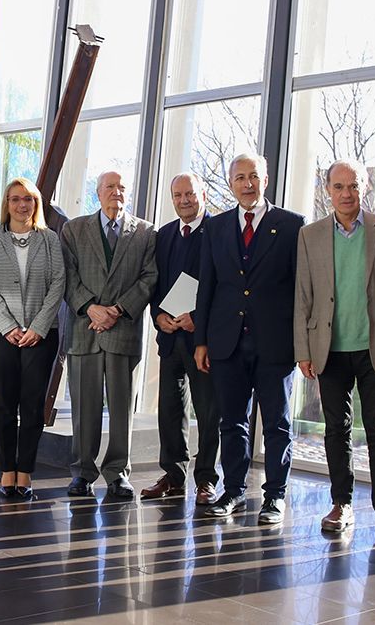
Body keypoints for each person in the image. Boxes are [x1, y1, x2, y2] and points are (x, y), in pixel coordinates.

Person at [294, 160, 375, 537]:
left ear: (364, 188)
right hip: (329, 348)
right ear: (327, 189)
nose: (346, 194)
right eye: (339, 186)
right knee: (336, 429)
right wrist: (303, 350)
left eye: (354, 186)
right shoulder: (310, 235)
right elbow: (303, 297)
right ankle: (340, 503)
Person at [194, 153, 304, 524]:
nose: (247, 183)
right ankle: (235, 490)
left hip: (274, 341)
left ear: (266, 179)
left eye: (253, 176)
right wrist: (202, 341)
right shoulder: (217, 226)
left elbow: (300, 289)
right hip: (227, 341)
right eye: (240, 177)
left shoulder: (291, 225)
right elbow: (207, 286)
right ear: (230, 182)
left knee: (276, 423)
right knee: (232, 421)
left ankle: (275, 496)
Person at [60, 171, 157, 499]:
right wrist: (91, 308)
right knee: (83, 409)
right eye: (110, 187)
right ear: (97, 194)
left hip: (123, 329)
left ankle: (118, 473)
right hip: (84, 331)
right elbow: (67, 275)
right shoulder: (74, 230)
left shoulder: (145, 232)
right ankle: (83, 472)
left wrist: (116, 310)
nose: (116, 192)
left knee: (121, 408)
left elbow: (149, 277)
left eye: (121, 188)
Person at [0, 177, 65, 498]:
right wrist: (8, 325)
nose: (22, 205)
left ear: (36, 203)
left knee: (32, 406)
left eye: (27, 199)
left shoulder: (50, 239)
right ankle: (6, 470)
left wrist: (38, 326)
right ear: (7, 204)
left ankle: (25, 471)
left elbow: (59, 283)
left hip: (41, 335)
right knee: (3, 405)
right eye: (15, 199)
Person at [141, 173, 220, 505]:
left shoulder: (218, 231)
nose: (184, 200)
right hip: (170, 337)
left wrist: (198, 319)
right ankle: (173, 476)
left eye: (190, 193)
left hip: (201, 340)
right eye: (178, 195)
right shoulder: (165, 234)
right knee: (170, 411)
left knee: (207, 412)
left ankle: (206, 479)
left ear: (201, 194)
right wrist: (158, 315)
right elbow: (156, 283)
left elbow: (224, 285)